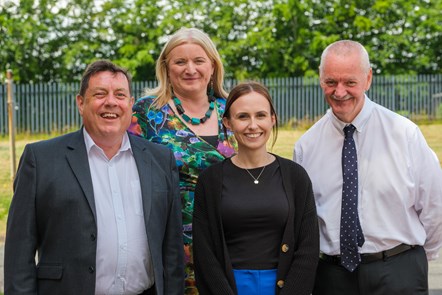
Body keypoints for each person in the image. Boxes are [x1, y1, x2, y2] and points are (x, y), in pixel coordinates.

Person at [4, 60, 184, 295]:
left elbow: (172, 253)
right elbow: (19, 252)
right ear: (81, 103)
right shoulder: (41, 160)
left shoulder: (160, 160)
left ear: (130, 104)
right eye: (100, 94)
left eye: (120, 95)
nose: (111, 102)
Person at [293, 40, 442, 295]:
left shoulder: (404, 134)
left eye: (350, 82)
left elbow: (434, 205)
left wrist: (413, 263)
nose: (339, 92)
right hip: (332, 278)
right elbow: (305, 221)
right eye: (331, 82)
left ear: (368, 78)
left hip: (399, 272)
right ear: (320, 80)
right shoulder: (305, 147)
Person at [128, 27, 235, 294]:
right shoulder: (146, 112)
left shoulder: (234, 108)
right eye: (180, 61)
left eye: (198, 61)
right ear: (166, 67)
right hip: (170, 240)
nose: (190, 69)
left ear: (212, 66)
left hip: (231, 237)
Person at [193, 81, 319, 295]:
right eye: (243, 117)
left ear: (272, 119)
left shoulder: (295, 176)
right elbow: (205, 254)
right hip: (229, 287)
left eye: (260, 115)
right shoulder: (210, 181)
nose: (253, 125)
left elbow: (308, 248)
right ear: (228, 123)